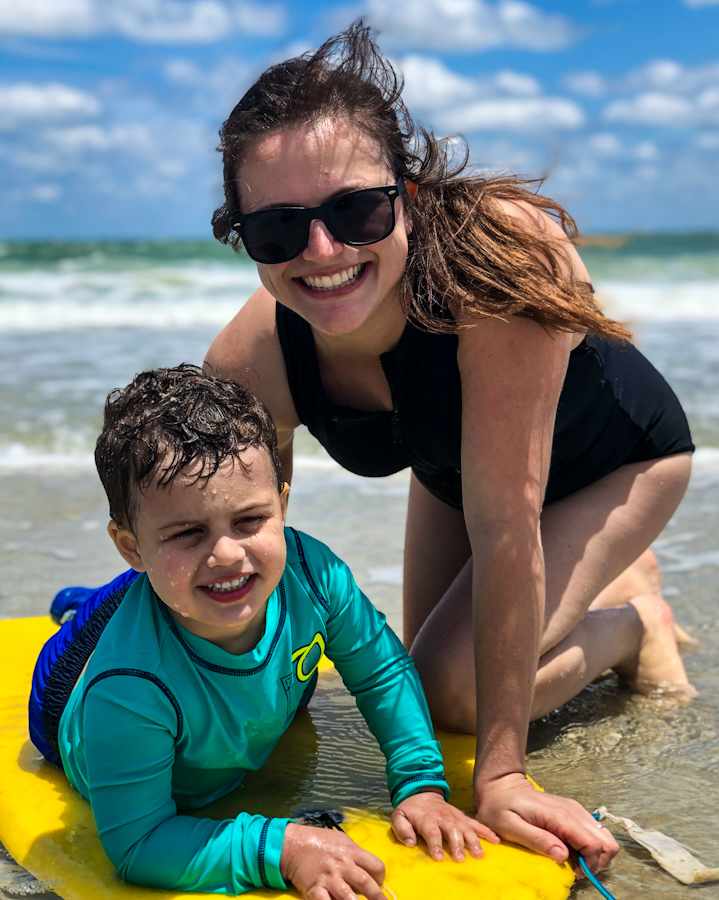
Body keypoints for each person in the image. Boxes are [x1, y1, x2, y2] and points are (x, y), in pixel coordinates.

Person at [204, 23, 697, 873]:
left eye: (355, 209)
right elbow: (250, 543)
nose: (322, 253)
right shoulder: (252, 363)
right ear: (241, 234)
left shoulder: (495, 276)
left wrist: (502, 775)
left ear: (409, 194)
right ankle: (599, 589)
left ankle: (629, 624)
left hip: (617, 463)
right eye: (279, 230)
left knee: (452, 696)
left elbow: (507, 527)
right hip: (453, 469)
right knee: (411, 683)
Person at [29, 365, 494, 898]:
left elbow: (383, 670)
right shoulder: (128, 689)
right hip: (59, 696)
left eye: (249, 520)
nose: (227, 553)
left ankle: (119, 586)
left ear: (282, 504)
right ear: (131, 545)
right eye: (187, 531)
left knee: (176, 583)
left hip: (172, 592)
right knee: (100, 616)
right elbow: (138, 845)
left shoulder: (312, 574)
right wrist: (281, 848)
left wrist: (419, 783)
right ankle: (81, 606)